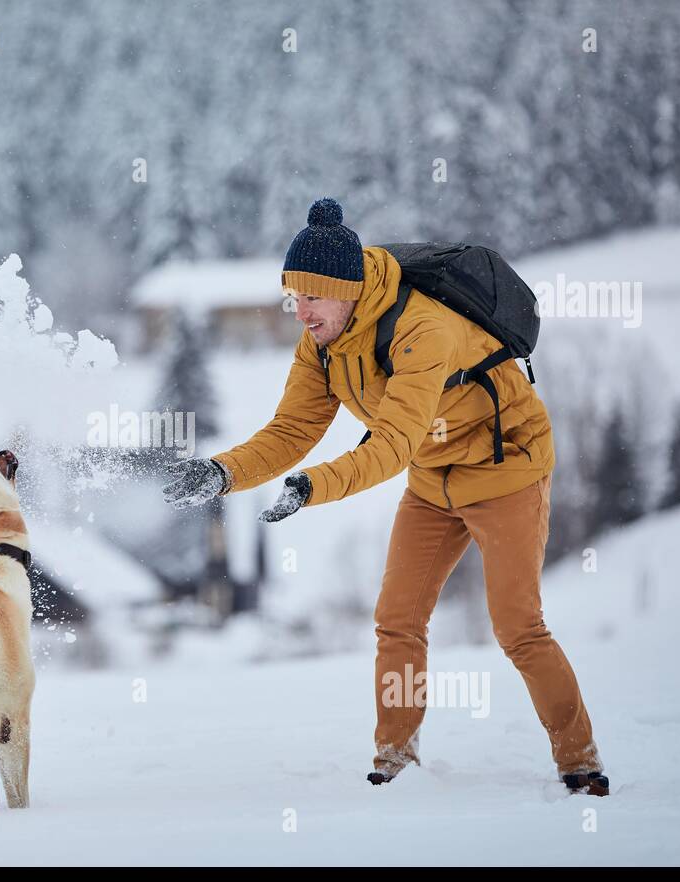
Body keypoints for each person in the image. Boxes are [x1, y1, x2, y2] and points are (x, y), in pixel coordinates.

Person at [162, 197, 608, 795]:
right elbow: (293, 430)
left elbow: (392, 445)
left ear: (347, 291)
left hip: (506, 472)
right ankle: (394, 757)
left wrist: (312, 487)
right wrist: (222, 473)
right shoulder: (322, 342)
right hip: (432, 480)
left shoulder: (423, 331)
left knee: (518, 627)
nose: (300, 311)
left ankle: (580, 760)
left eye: (312, 297)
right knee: (397, 621)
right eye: (293, 296)